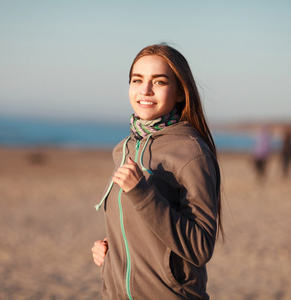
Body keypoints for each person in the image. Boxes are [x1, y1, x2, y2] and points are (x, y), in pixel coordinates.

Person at [91, 43, 222, 299]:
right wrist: (111, 250)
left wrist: (141, 193)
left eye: (159, 82)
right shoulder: (124, 148)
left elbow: (200, 247)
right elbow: (144, 227)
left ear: (181, 93)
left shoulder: (191, 152)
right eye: (137, 80)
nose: (145, 90)